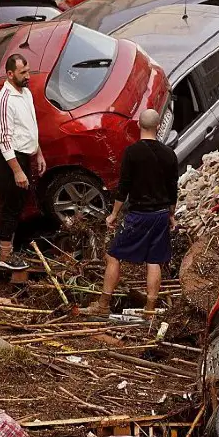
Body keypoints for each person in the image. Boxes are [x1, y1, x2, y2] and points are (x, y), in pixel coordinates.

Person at [80, 109, 179, 319]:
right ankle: (150, 309)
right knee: (154, 260)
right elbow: (172, 190)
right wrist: (171, 215)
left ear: (139, 126)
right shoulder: (169, 154)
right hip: (160, 215)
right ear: (159, 126)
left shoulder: (132, 153)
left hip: (139, 215)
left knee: (113, 256)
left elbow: (123, 188)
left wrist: (113, 215)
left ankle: (103, 304)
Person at [0, 54, 46, 271]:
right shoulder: (4, 101)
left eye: (28, 71)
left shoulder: (26, 93)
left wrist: (38, 152)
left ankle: (10, 249)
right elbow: (4, 140)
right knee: (11, 206)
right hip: (7, 160)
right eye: (23, 73)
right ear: (10, 74)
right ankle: (3, 256)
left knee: (21, 203)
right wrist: (17, 171)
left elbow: (30, 127)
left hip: (23, 155)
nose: (28, 76)